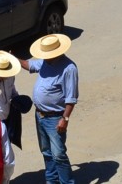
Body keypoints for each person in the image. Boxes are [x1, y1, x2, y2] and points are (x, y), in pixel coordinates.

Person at [21, 34, 78, 184]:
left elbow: (71, 99)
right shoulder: (46, 62)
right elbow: (30, 65)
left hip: (55, 118)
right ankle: (52, 181)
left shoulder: (69, 68)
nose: (44, 57)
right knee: (46, 152)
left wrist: (64, 119)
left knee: (58, 154)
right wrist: (14, 60)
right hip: (40, 116)